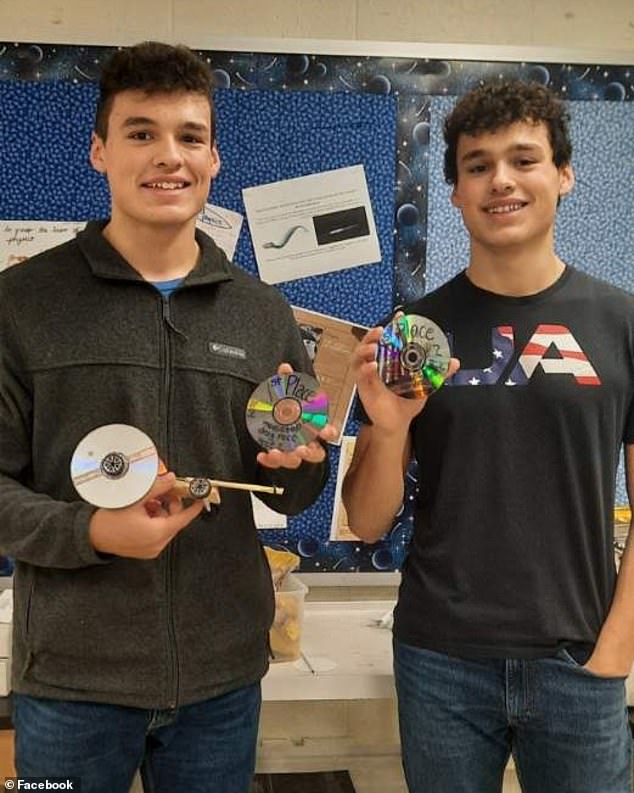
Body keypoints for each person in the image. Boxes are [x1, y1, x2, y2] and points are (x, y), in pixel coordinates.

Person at [0, 41, 336, 793]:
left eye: (189, 136)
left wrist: (299, 468)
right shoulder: (21, 304)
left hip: (221, 684)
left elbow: (296, 487)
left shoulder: (262, 312)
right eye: (141, 132)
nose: (168, 157)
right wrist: (93, 531)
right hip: (69, 685)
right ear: (98, 151)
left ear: (215, 157)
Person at [343, 79, 633, 793]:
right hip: (440, 659)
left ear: (564, 175)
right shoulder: (411, 335)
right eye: (477, 164)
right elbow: (368, 517)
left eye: (523, 159)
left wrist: (616, 649)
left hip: (579, 658)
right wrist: (388, 430)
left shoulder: (622, 322)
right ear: (454, 192)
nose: (500, 179)